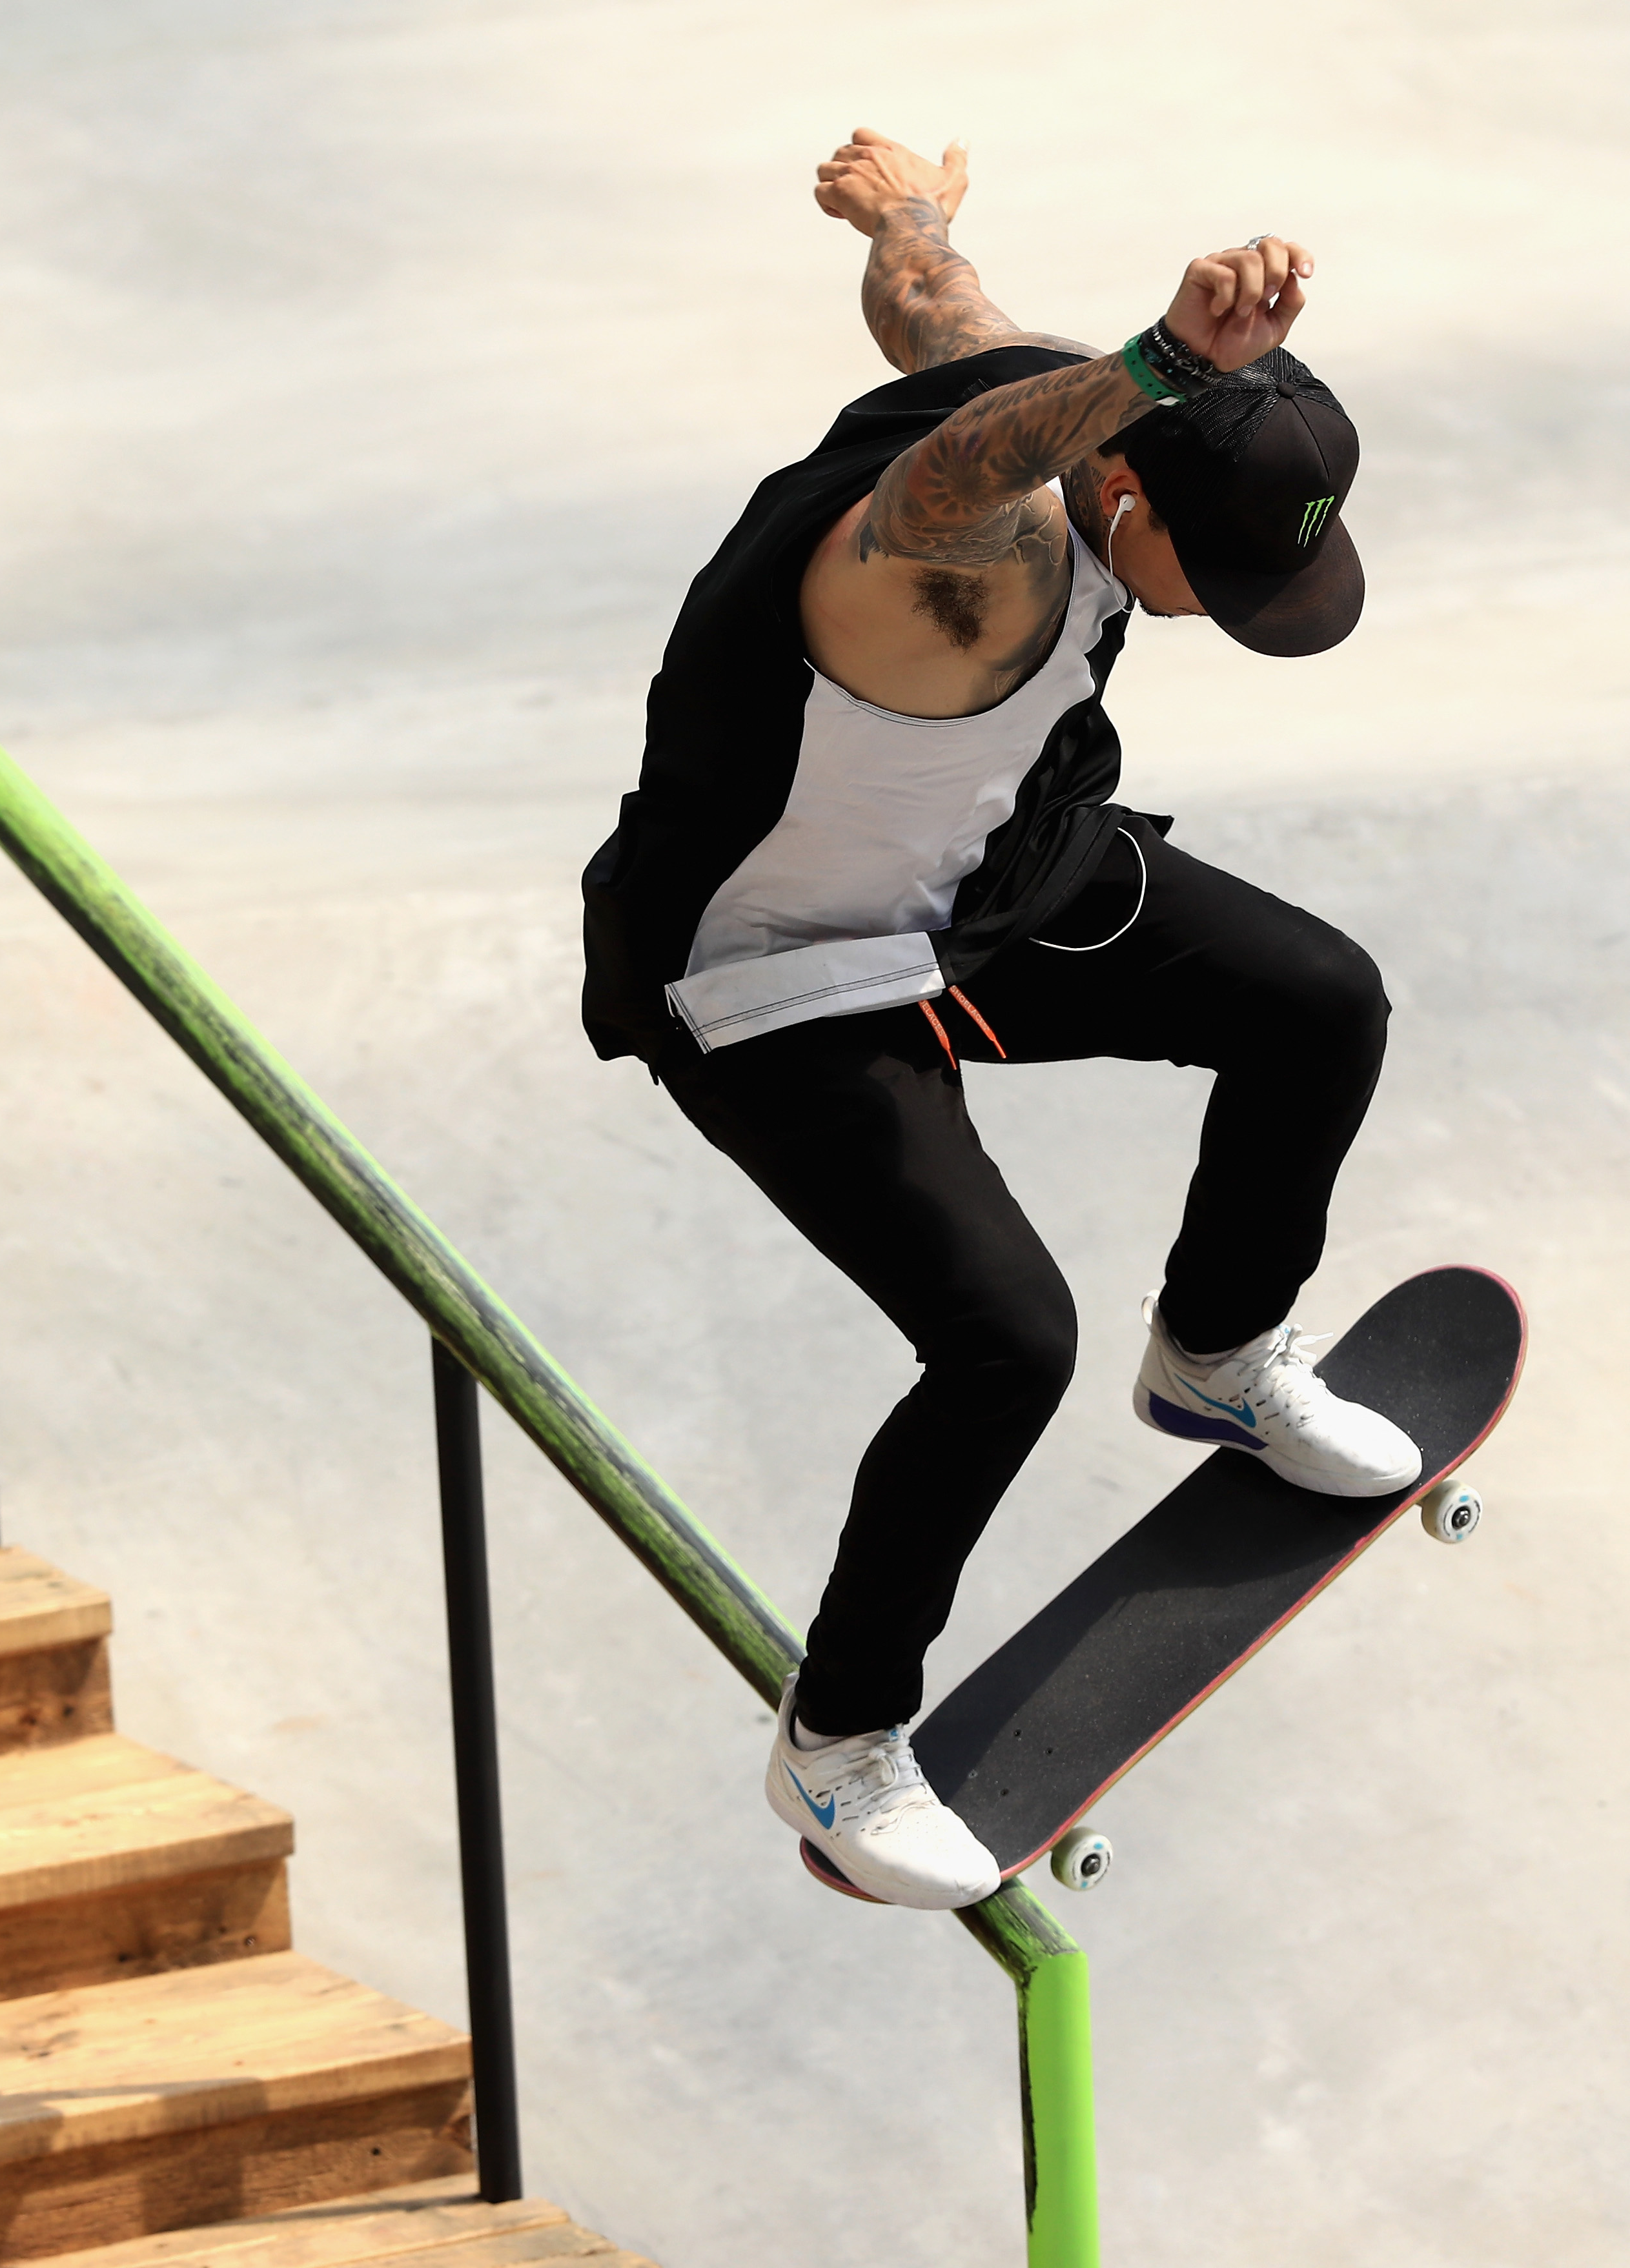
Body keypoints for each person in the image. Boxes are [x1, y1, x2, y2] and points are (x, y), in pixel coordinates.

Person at [580, 128, 1415, 1909]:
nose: (1230, 620)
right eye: (1230, 585)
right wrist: (1168, 364)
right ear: (1130, 497)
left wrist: (905, 212)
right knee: (1001, 1338)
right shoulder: (983, 559)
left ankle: (1216, 1347)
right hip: (779, 974)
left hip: (987, 886)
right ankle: (838, 1739)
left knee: (1320, 1002)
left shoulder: (1085, 414)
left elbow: (939, 314)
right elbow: (953, 467)